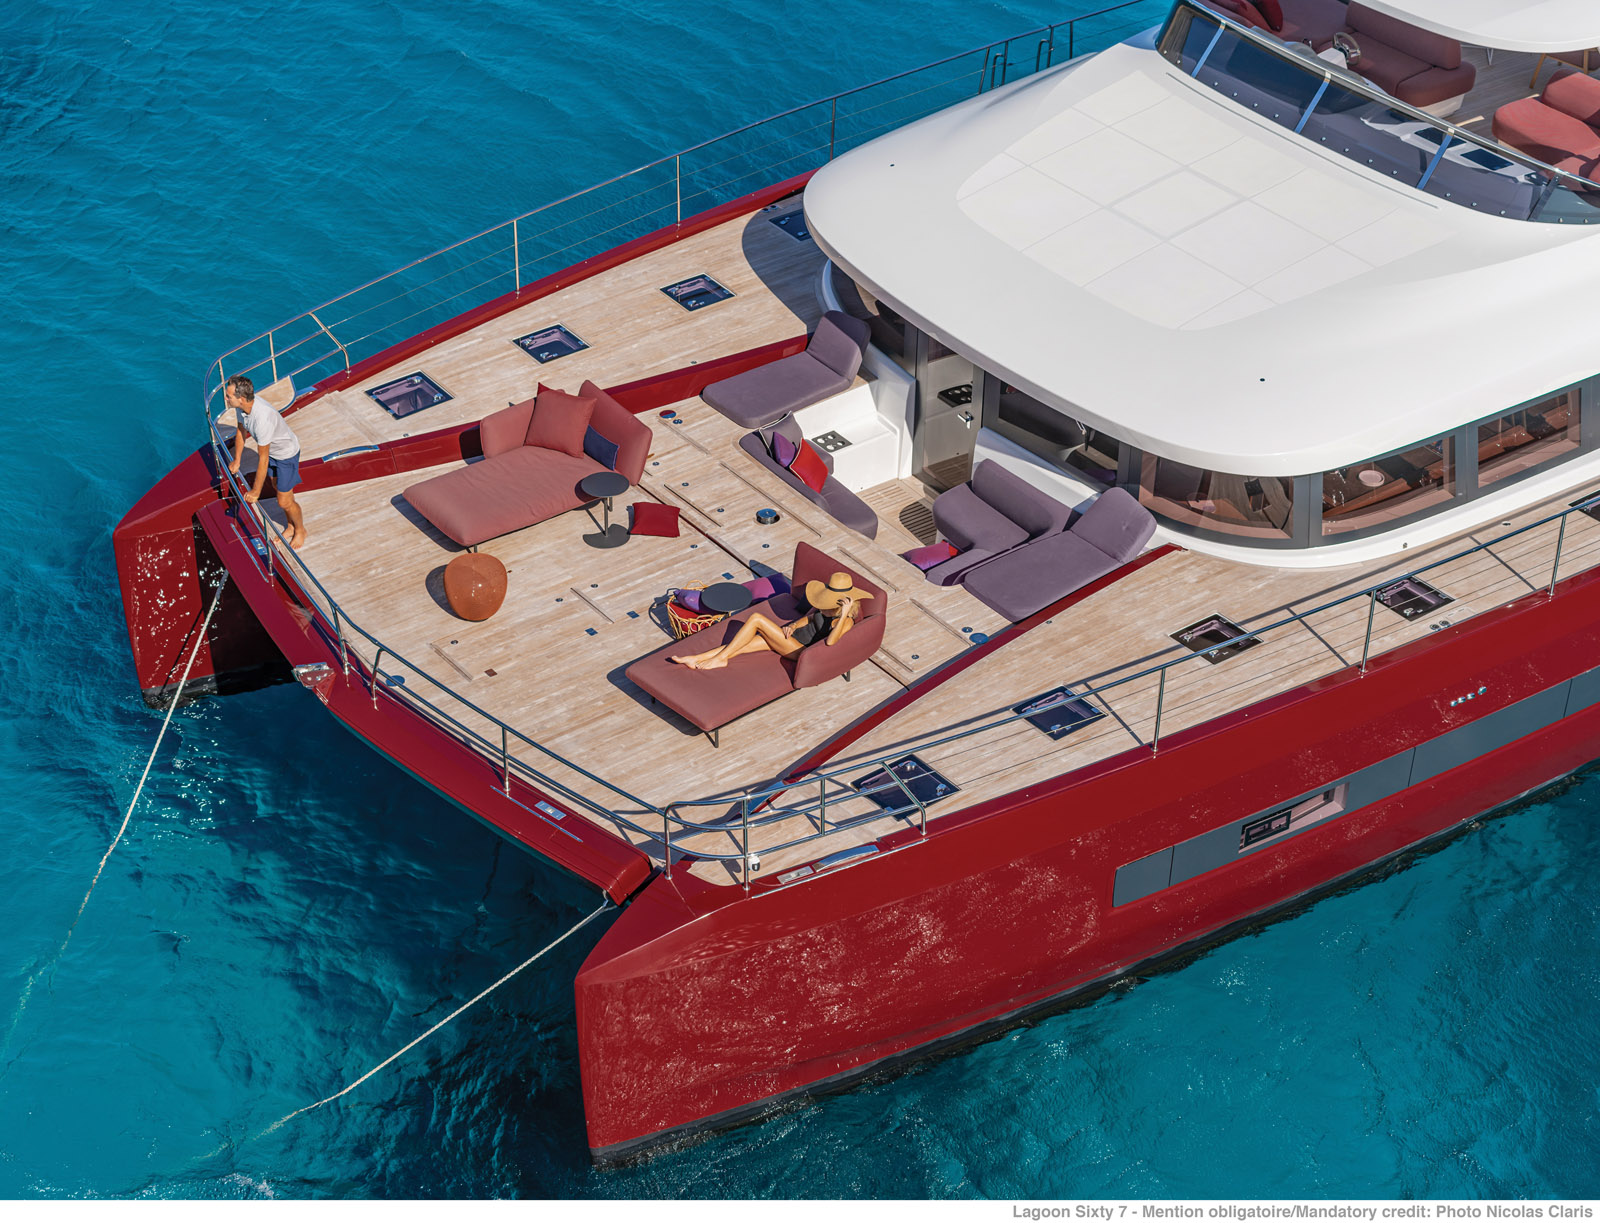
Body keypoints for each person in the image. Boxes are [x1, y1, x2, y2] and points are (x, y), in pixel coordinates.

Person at [671, 572, 872, 670]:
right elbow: (810, 619)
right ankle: (697, 658)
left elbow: (831, 642)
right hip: (790, 638)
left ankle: (718, 660)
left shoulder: (846, 621)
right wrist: (793, 625)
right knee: (739, 645)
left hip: (798, 650)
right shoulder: (825, 607)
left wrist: (845, 613)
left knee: (757, 619)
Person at [224, 374, 308, 548]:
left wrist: (256, 491)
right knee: (279, 489)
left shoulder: (262, 418)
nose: (225, 399)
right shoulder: (242, 408)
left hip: (286, 455)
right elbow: (241, 431)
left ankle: (300, 530)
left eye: (228, 396)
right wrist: (237, 459)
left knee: (284, 501)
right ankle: (290, 526)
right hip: (273, 455)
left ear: (241, 398)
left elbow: (263, 458)